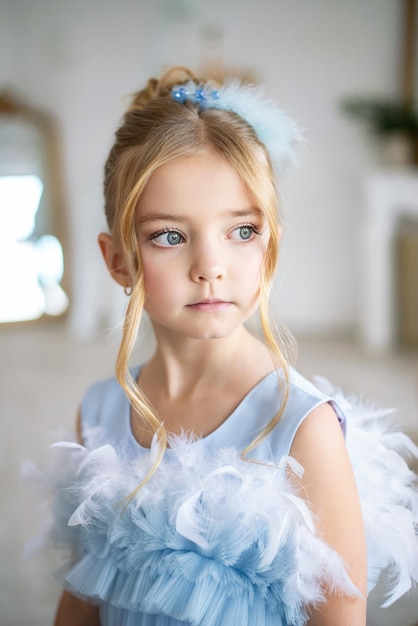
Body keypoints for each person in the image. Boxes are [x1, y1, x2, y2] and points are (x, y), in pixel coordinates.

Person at [42, 67, 417, 626]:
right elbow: (85, 593)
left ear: (269, 247)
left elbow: (337, 614)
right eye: (169, 236)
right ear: (118, 260)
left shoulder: (301, 431)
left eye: (241, 231)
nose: (210, 268)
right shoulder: (99, 413)